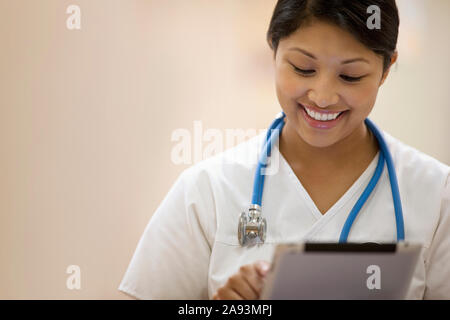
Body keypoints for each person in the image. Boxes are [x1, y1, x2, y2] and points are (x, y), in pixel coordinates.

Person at [118, 0, 450, 300]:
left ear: (386, 69)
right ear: (274, 50)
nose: (323, 96)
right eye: (303, 69)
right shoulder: (208, 190)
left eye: (350, 76)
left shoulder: (436, 195)